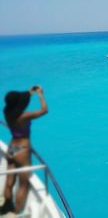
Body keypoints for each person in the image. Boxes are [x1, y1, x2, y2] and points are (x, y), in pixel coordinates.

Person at [0, 86, 48, 215]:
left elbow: (19, 101)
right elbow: (44, 110)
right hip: (22, 149)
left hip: (11, 147)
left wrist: (30, 92)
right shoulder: (24, 116)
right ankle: (16, 211)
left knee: (10, 180)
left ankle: (7, 204)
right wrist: (40, 95)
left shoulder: (7, 113)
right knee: (23, 183)